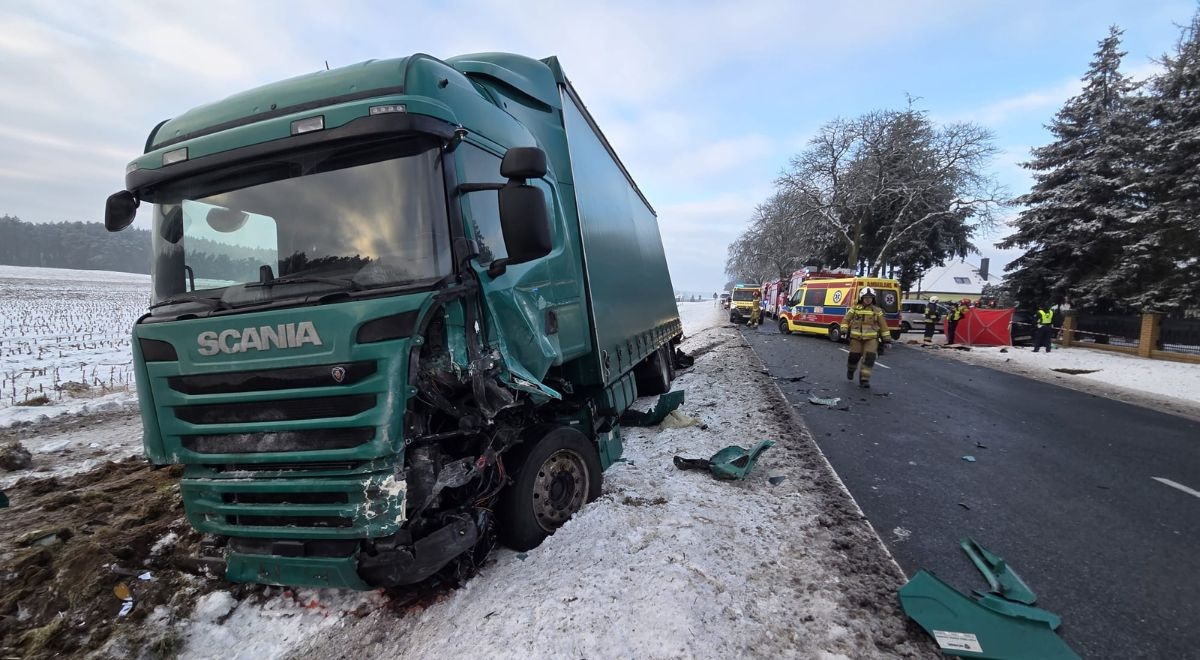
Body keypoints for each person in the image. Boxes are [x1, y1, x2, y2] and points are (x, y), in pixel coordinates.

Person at [840, 287, 892, 388]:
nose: (868, 299)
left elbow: (883, 326)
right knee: (854, 357)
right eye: (866, 297)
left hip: (871, 339)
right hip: (856, 338)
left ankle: (864, 379)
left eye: (870, 297)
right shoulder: (855, 309)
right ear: (861, 298)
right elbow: (846, 320)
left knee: (869, 358)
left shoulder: (877, 311)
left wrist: (887, 340)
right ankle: (851, 370)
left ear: (873, 299)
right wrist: (843, 330)